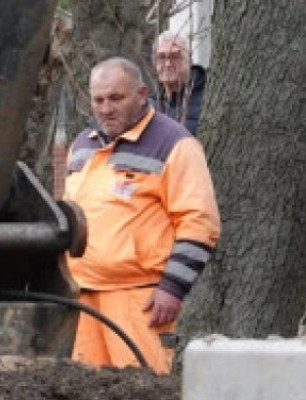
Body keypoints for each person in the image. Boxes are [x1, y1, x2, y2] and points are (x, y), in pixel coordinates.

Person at [64, 57, 220, 374]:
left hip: (141, 301)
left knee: (141, 391)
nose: (106, 109)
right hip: (82, 298)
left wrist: (172, 288)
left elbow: (199, 223)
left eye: (116, 98)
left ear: (142, 94)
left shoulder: (174, 144)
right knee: (84, 394)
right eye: (98, 100)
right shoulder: (82, 145)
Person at [152, 32, 207, 136]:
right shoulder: (147, 105)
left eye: (175, 57)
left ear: (190, 59)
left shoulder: (208, 99)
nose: (167, 64)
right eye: (162, 57)